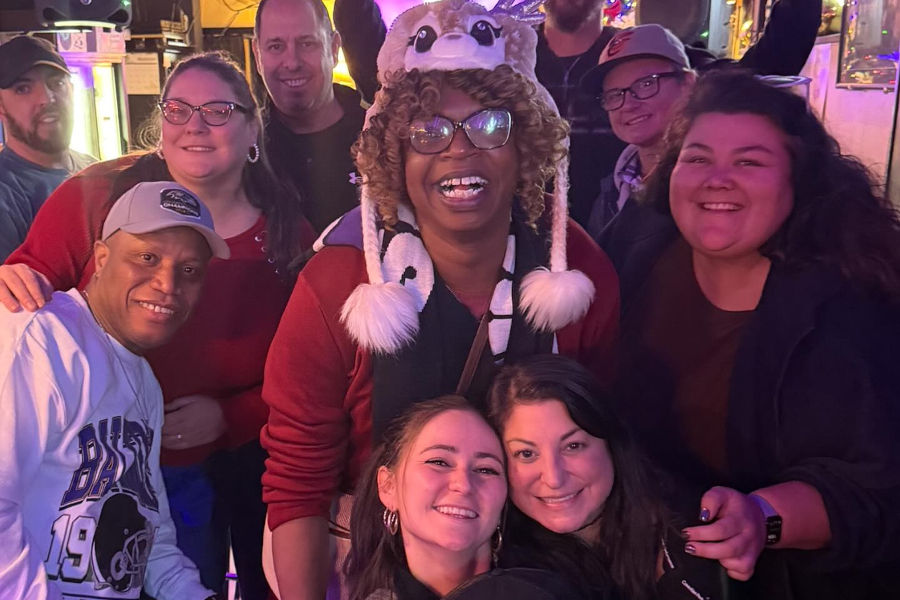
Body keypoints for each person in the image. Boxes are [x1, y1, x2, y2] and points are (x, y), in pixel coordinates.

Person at [261, 1, 620, 598]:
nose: (460, 148)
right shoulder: (339, 283)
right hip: (370, 565)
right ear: (395, 158)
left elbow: (604, 440)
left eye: (490, 125)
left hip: (540, 565)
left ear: (525, 146)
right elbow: (299, 475)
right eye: (428, 130)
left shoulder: (577, 271)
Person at [0, 51, 313, 599]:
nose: (195, 124)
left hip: (231, 456)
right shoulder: (95, 197)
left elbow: (308, 372)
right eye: (178, 108)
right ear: (102, 255)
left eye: (217, 110)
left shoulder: (288, 234)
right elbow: (29, 289)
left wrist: (231, 415)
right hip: (96, 458)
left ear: (251, 127)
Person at [607, 70, 900, 599]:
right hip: (648, 564)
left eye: (749, 162)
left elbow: (876, 492)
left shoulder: (847, 314)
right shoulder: (642, 255)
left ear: (799, 183)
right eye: (697, 158)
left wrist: (760, 516)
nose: (717, 178)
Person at [0, 180, 228, 600]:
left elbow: (151, 534)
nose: (168, 283)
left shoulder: (143, 382)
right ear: (102, 258)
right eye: (147, 257)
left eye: (189, 270)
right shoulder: (42, 337)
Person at [488, 354, 722, 600]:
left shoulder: (690, 524)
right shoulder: (499, 571)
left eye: (573, 446)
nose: (554, 478)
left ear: (611, 443)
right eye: (526, 453)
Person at [253, 0, 369, 233]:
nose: (292, 62)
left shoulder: (378, 135)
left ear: (334, 48)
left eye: (307, 43)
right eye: (276, 46)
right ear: (257, 55)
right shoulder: (243, 147)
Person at [582, 24, 697, 239]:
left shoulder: (709, 182)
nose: (628, 104)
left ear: (688, 84)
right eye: (614, 94)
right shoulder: (611, 192)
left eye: (645, 84)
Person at [0, 35, 94, 261]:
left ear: (72, 89)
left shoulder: (95, 169)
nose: (46, 98)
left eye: (56, 83)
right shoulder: (5, 193)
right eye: (23, 89)